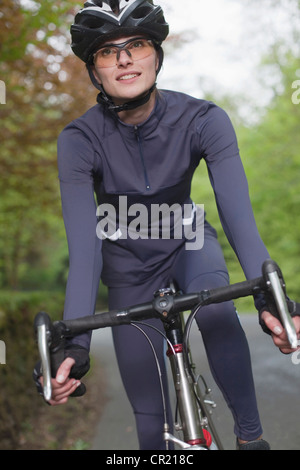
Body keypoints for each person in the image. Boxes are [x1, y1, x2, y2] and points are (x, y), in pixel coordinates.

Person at [35, 0, 300, 450]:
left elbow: (239, 219)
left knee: (217, 312)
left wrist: (271, 298)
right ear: (94, 70)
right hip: (127, 265)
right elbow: (85, 250)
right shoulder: (78, 141)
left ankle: (251, 438)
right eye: (106, 51)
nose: (123, 58)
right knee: (149, 424)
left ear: (156, 55)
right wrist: (74, 348)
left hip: (188, 242)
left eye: (136, 45)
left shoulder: (203, 119)